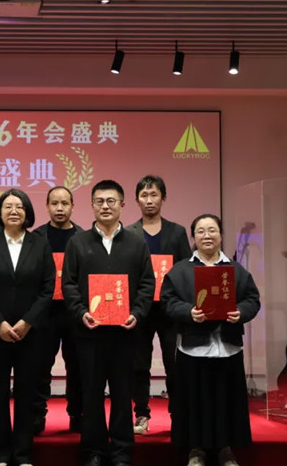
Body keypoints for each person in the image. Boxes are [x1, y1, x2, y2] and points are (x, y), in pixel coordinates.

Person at [62, 180, 155, 466]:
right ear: (92, 205)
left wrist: (137, 313)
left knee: (122, 393)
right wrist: (81, 312)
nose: (105, 206)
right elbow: (68, 284)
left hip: (125, 333)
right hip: (89, 333)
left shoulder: (136, 243)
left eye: (111, 201)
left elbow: (147, 283)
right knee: (91, 393)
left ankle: (122, 451)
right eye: (100, 201)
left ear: (122, 205)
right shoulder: (78, 242)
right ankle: (94, 451)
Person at [160, 214, 260, 466]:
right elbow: (168, 302)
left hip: (227, 347)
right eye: (201, 231)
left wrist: (241, 313)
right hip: (194, 349)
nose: (207, 236)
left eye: (212, 230)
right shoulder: (180, 270)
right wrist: (188, 312)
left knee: (226, 403)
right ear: (193, 237)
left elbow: (252, 299)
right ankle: (196, 450)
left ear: (221, 235)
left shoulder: (236, 270)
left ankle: (225, 450)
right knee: (196, 403)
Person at [0, 189, 55, 466]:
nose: (13, 211)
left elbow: (47, 288)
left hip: (31, 332)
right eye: (7, 206)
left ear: (27, 212)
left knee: (27, 393)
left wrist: (27, 321)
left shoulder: (40, 243)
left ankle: (22, 454)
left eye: (19, 206)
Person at [126, 175, 191, 435]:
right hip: (139, 309)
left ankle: (178, 414)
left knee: (174, 364)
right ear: (136, 200)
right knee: (139, 364)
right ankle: (141, 414)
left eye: (154, 195)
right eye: (144, 195)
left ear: (163, 198)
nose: (149, 200)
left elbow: (186, 269)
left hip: (170, 310)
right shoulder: (128, 232)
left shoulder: (177, 232)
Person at [32, 186, 85, 434]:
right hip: (45, 313)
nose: (60, 208)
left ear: (73, 206)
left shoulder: (83, 237)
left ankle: (77, 414)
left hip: (75, 313)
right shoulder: (36, 237)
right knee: (40, 365)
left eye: (65, 203)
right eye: (54, 203)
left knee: (77, 366)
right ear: (47, 206)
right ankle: (37, 415)